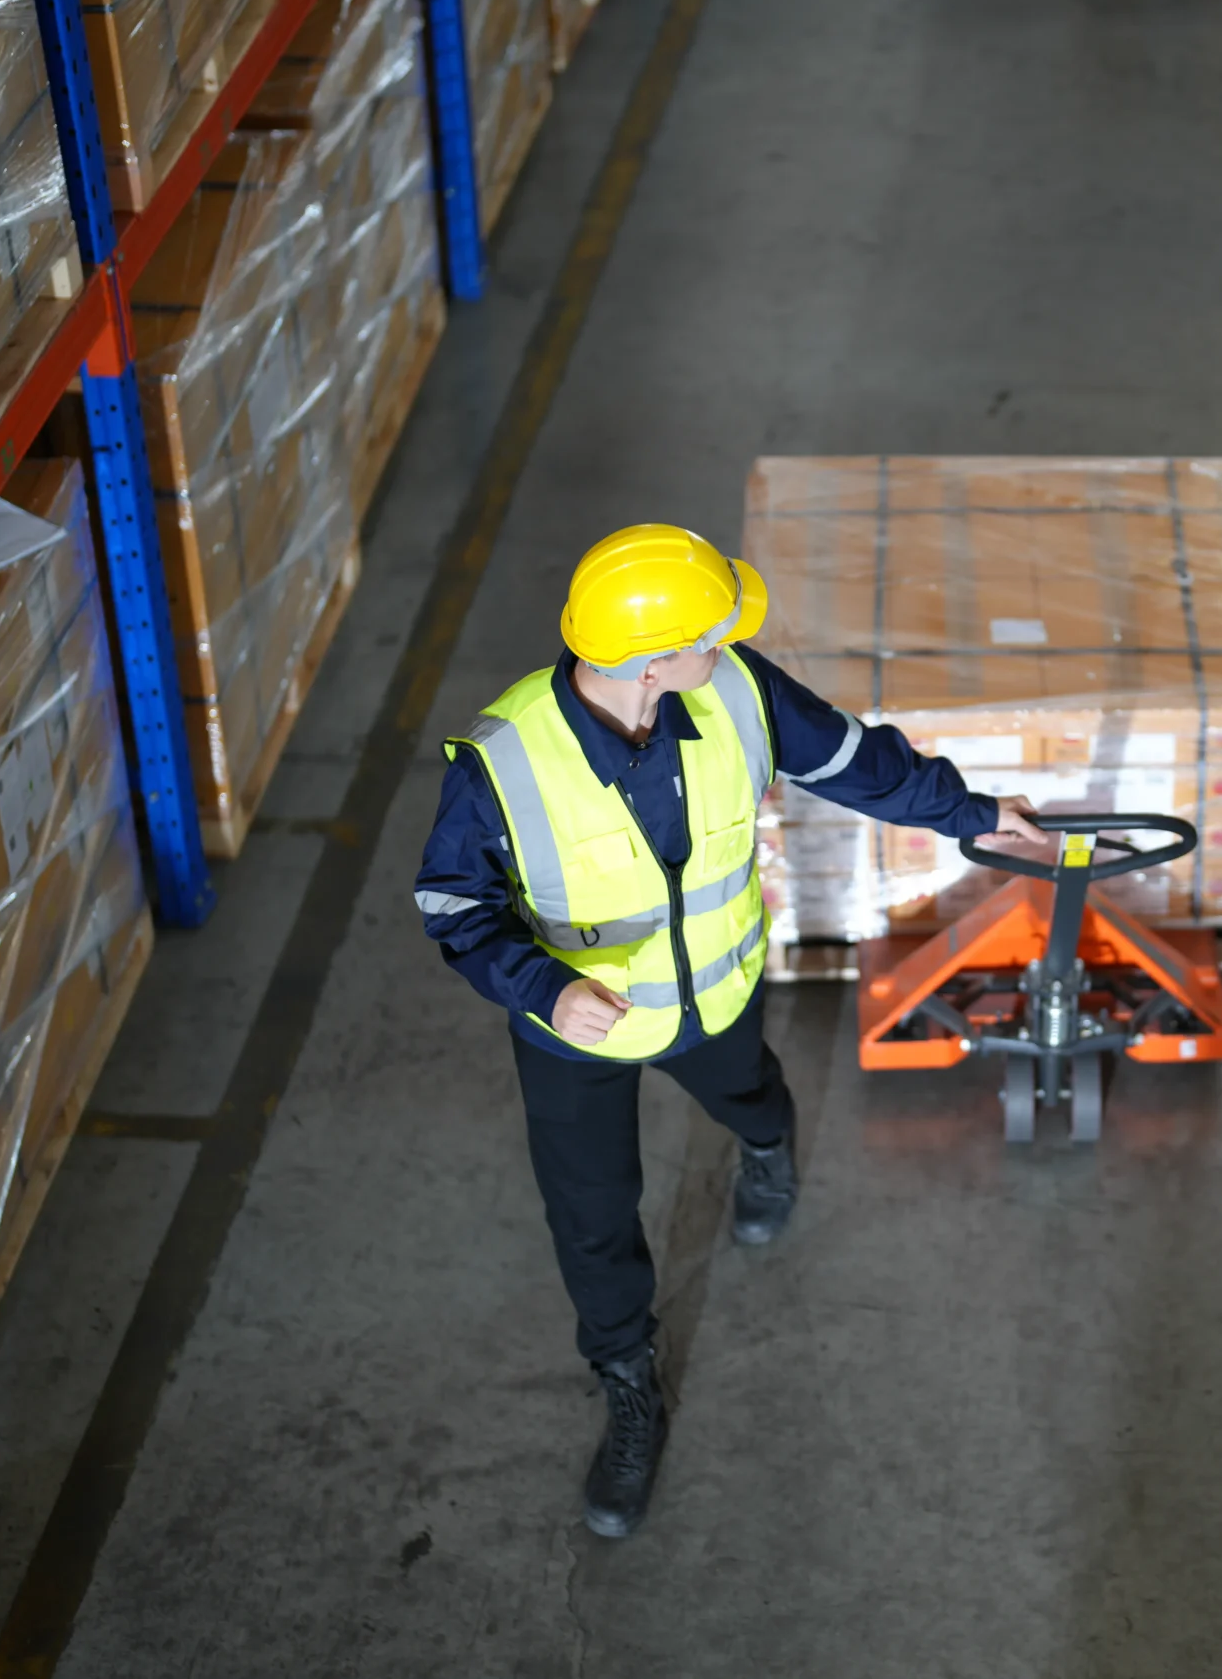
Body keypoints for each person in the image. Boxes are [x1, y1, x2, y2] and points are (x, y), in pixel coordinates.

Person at [413, 524, 1047, 1540]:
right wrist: (541, 988)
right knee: (592, 1212)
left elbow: (852, 759)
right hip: (576, 1037)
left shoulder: (734, 689)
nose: (727, 643)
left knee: (747, 1093)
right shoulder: (503, 761)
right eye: (709, 633)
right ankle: (626, 1381)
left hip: (714, 996)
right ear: (653, 659)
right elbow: (451, 903)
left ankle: (766, 1146)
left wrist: (968, 813)